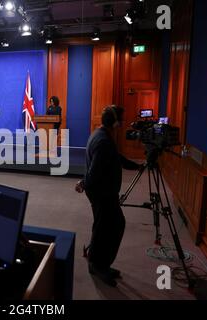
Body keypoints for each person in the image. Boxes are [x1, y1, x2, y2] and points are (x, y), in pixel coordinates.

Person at [75, 105, 141, 287]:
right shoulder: (104, 141)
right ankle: (97, 265)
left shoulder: (101, 134)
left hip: (102, 191)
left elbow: (115, 157)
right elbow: (95, 171)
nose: (123, 122)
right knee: (109, 226)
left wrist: (136, 166)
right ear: (115, 122)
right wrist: (84, 183)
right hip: (101, 193)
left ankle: (98, 263)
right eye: (122, 118)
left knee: (105, 226)